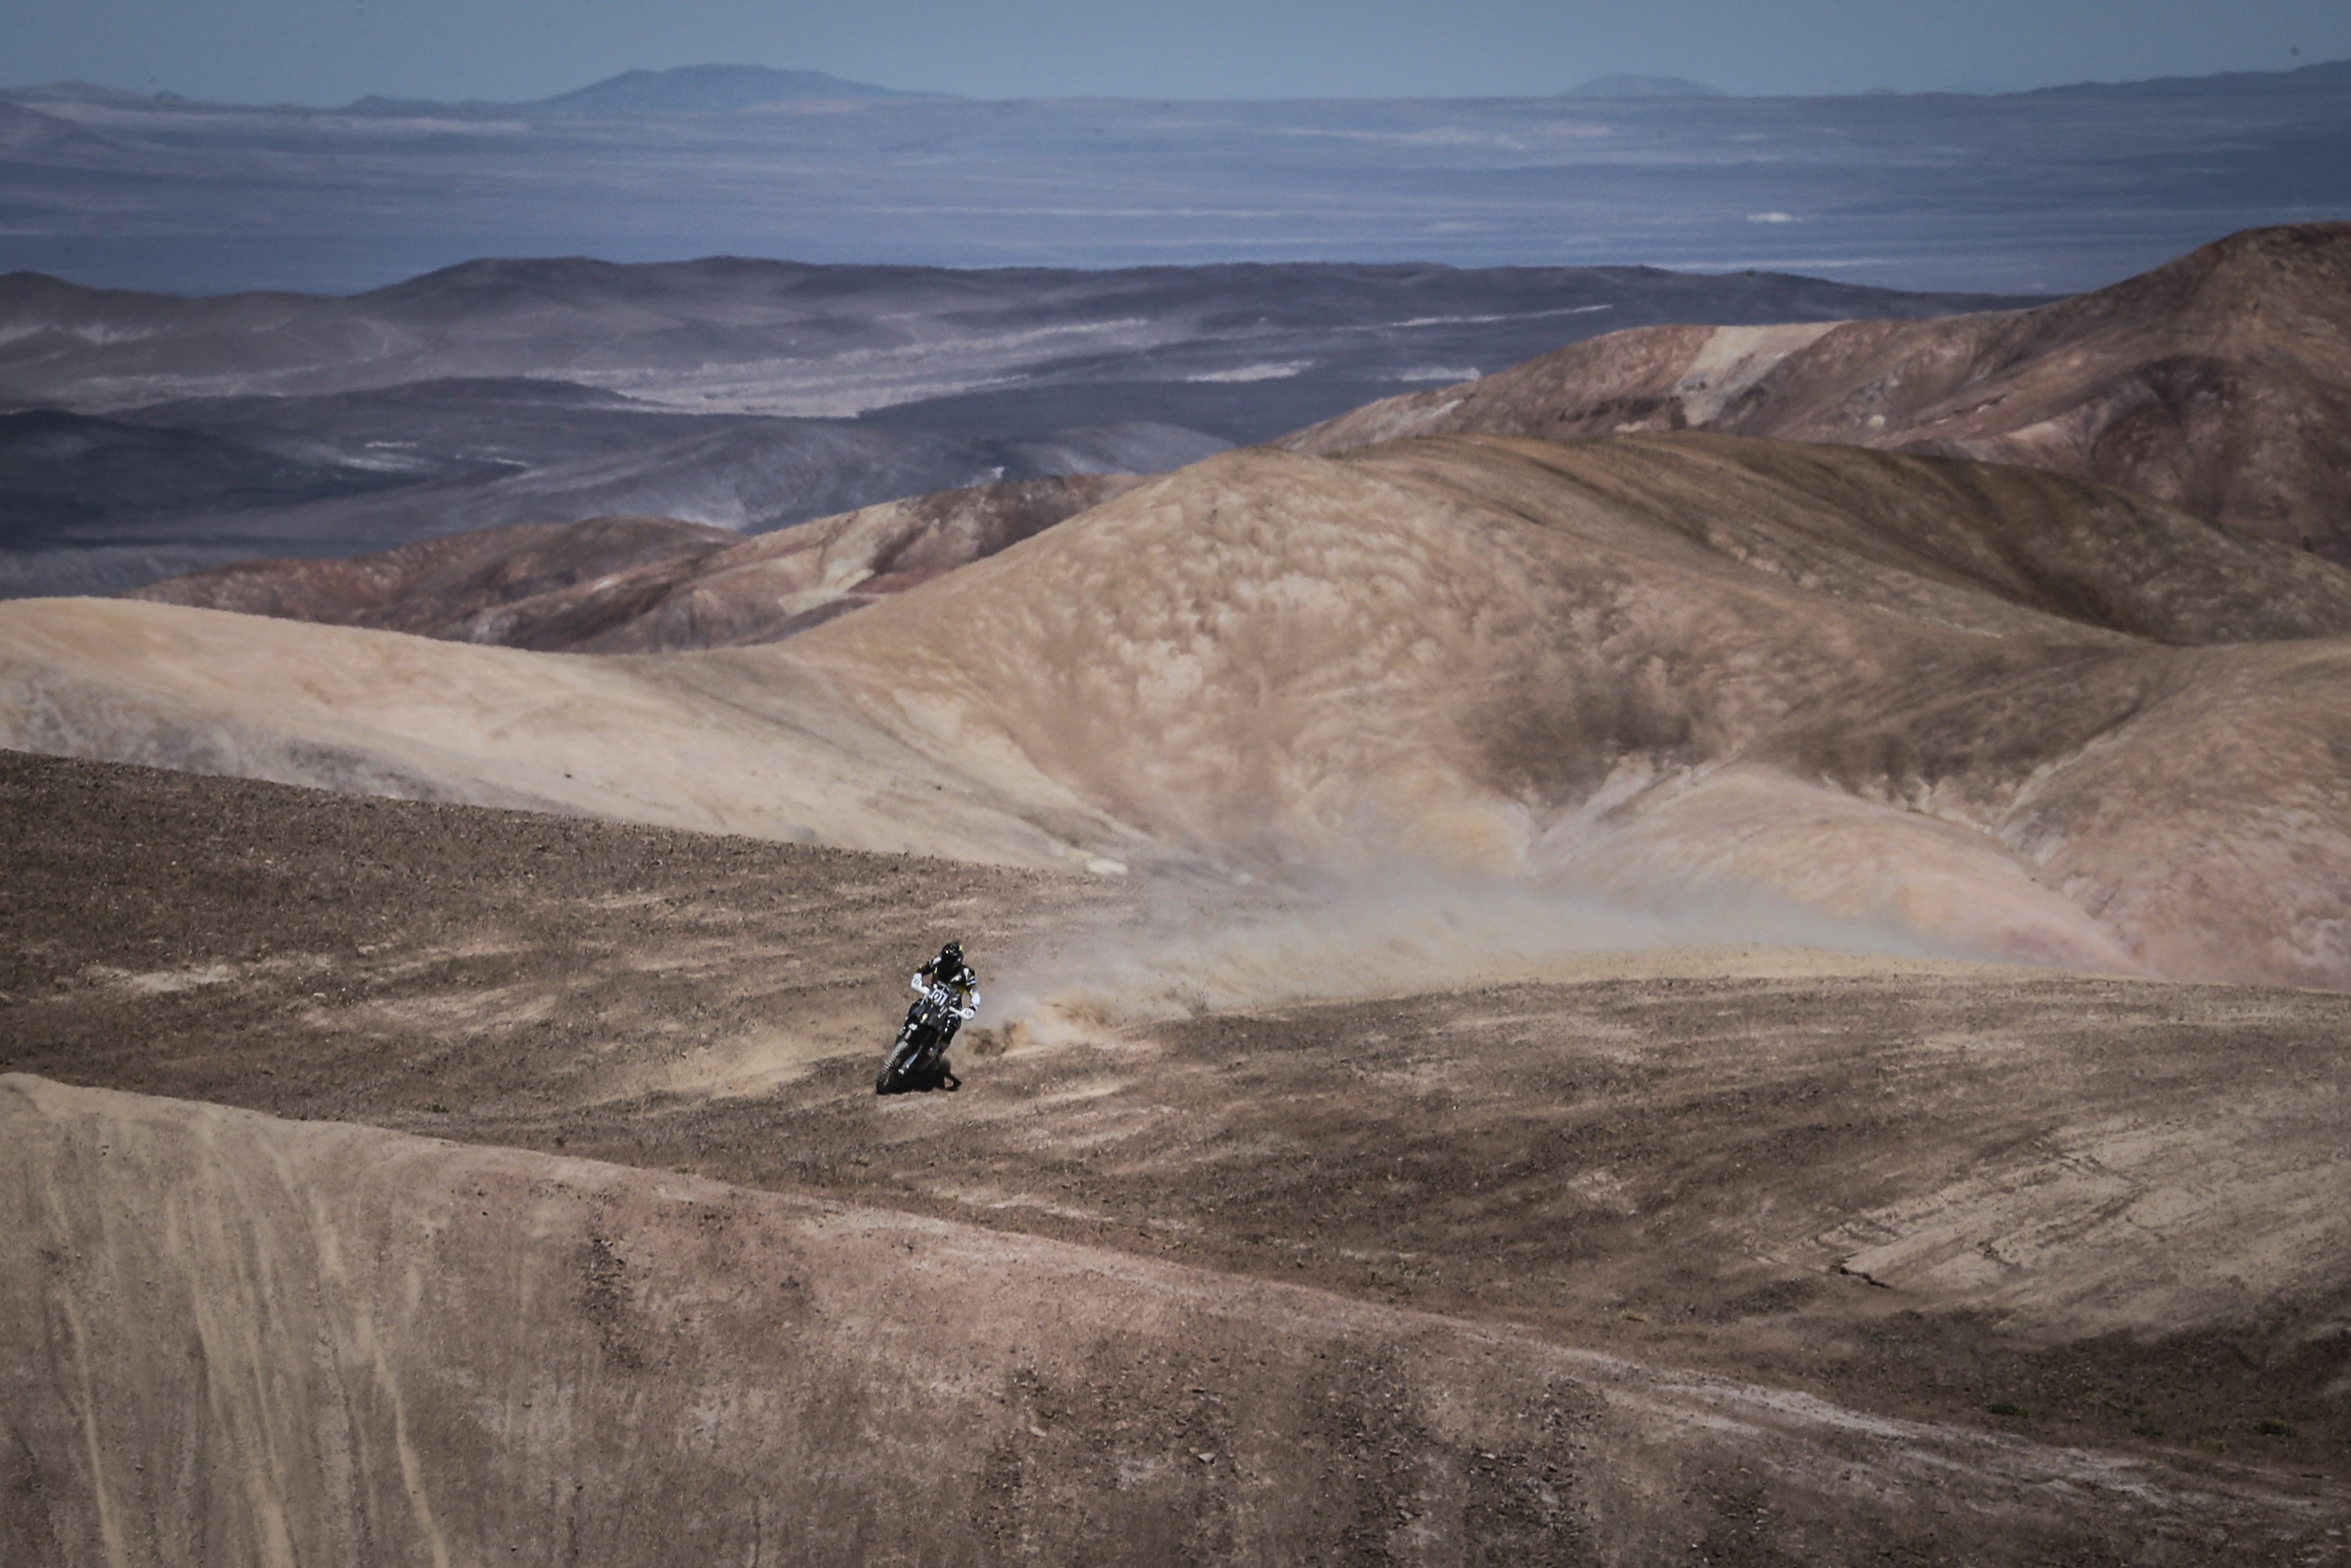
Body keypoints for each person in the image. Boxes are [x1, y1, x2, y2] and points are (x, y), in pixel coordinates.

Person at [899, 940, 979, 1091]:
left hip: (952, 1009)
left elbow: (974, 993)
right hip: (931, 1001)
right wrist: (917, 977)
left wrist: (972, 1008)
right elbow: (922, 969)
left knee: (949, 1029)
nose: (946, 963)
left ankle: (938, 1053)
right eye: (945, 959)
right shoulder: (938, 962)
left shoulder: (966, 974)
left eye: (950, 961)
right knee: (915, 1007)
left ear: (958, 961)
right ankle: (905, 1029)